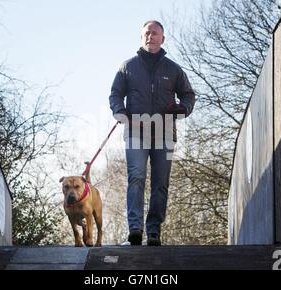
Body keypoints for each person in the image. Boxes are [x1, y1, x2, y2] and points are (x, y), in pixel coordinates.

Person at [109, 20, 195, 246]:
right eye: (147, 33)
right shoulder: (127, 67)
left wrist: (183, 108)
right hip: (136, 131)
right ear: (141, 37)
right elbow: (115, 94)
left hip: (165, 132)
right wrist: (120, 112)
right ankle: (135, 229)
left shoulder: (173, 69)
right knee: (136, 177)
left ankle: (154, 231)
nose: (151, 37)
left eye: (155, 34)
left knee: (160, 183)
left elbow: (188, 95)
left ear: (162, 38)